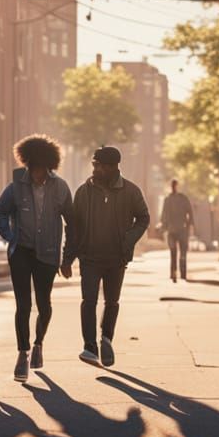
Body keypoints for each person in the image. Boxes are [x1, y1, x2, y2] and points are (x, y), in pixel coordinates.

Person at [0, 134, 73, 383]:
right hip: (22, 252)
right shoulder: (16, 185)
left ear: (49, 166)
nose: (36, 174)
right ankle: (22, 353)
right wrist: (10, 236)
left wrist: (67, 258)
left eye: (40, 169)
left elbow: (73, 223)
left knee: (44, 304)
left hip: (48, 253)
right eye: (32, 168)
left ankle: (38, 343)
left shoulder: (60, 187)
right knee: (23, 305)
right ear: (27, 164)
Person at [62, 146, 150, 367]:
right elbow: (73, 227)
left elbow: (143, 218)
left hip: (116, 257)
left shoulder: (131, 191)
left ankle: (106, 338)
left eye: (99, 166)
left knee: (112, 302)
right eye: (94, 165)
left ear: (112, 167)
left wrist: (128, 240)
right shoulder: (84, 191)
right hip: (89, 257)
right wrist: (67, 258)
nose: (95, 169)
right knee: (88, 301)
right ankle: (89, 346)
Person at [160, 179, 194, 283]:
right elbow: (190, 212)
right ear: (177, 186)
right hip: (182, 229)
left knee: (173, 252)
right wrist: (190, 224)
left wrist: (164, 227)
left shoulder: (168, 199)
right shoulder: (183, 198)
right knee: (183, 252)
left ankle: (173, 272)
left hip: (172, 230)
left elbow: (164, 215)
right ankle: (182, 274)